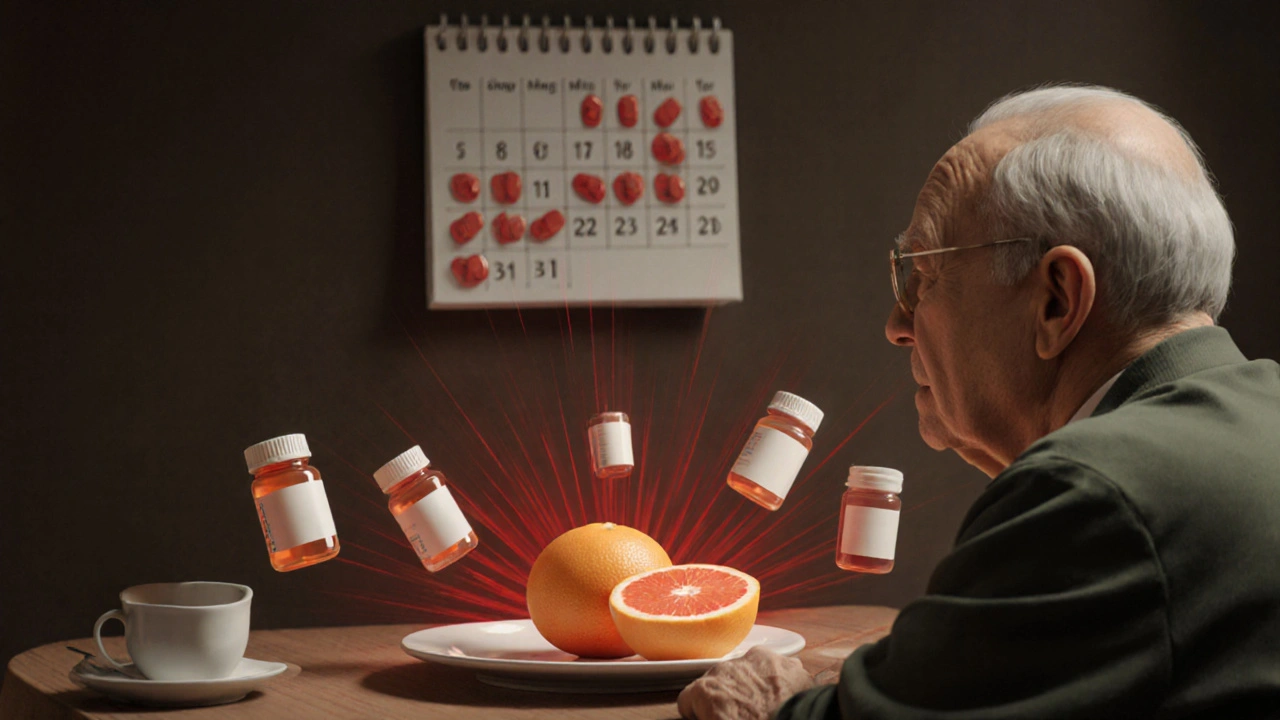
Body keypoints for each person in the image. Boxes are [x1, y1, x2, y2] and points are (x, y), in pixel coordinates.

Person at [677, 84, 1280, 719]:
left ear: (1056, 299)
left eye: (924, 274)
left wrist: (775, 705)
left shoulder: (1093, 494)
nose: (896, 322)